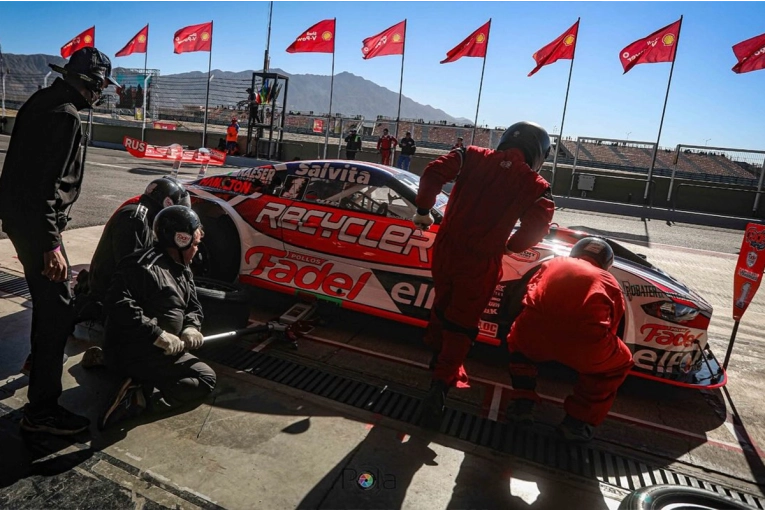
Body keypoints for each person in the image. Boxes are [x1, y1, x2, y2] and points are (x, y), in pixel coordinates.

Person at [0, 47, 117, 435]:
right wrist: (51, 244)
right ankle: (43, 411)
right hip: (38, 225)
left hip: (25, 220)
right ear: (93, 84)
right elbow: (42, 186)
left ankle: (39, 359)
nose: (102, 94)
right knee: (56, 308)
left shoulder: (43, 100)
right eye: (102, 87)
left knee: (53, 304)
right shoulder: (64, 118)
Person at [412, 121, 555, 429]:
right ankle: (440, 383)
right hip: (482, 259)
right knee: (462, 323)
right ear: (538, 152)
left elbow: (432, 173)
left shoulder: (470, 155)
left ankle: (436, 357)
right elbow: (537, 228)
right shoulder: (537, 185)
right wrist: (509, 246)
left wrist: (423, 210)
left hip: (446, 249)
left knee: (443, 304)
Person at [99, 206, 216, 430]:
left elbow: (193, 304)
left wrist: (191, 326)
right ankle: (138, 399)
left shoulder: (182, 266)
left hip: (159, 352)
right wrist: (157, 335)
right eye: (195, 245)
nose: (197, 251)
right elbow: (117, 304)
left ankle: (133, 380)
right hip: (137, 351)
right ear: (181, 241)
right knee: (205, 379)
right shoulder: (141, 266)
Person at [505, 237, 634, 442]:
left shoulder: (552, 263)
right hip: (584, 347)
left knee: (517, 340)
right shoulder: (610, 282)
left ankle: (522, 404)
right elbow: (613, 326)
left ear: (575, 251)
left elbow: (528, 293)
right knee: (620, 363)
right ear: (606, 263)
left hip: (534, 336)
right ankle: (576, 423)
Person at [79, 176, 191, 323]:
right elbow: (132, 272)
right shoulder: (135, 218)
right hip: (107, 301)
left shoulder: (146, 217)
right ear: (167, 203)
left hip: (113, 294)